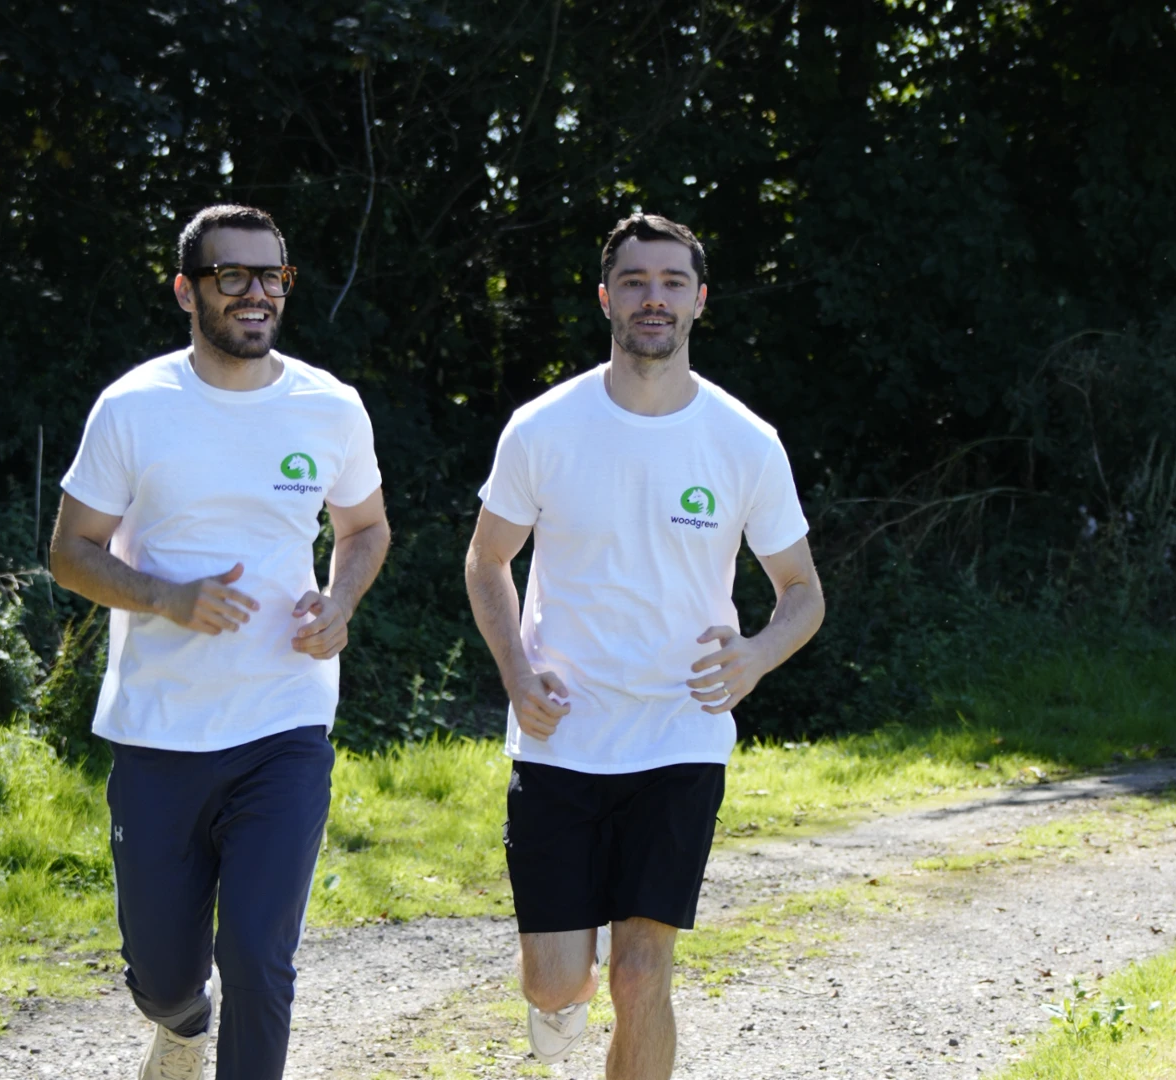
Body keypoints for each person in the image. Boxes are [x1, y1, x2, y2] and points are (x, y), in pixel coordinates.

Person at [462, 213, 825, 1079]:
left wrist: (757, 657)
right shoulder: (544, 427)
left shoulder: (745, 442)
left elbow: (803, 593)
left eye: (671, 282)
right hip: (561, 736)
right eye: (634, 281)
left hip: (680, 734)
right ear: (606, 300)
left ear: (700, 300)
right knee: (556, 981)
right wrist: (517, 675)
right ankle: (556, 1017)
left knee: (639, 972)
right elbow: (486, 560)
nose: (652, 298)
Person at [49, 204, 391, 1080]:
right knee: (163, 973)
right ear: (185, 290)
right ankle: (178, 1025)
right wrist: (166, 596)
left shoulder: (330, 406)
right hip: (160, 730)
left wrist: (342, 600)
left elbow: (364, 528)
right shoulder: (135, 407)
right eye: (230, 275)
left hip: (284, 721)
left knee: (258, 953)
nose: (256, 292)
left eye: (271, 274)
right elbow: (69, 551)